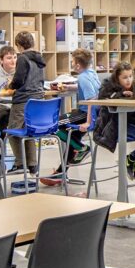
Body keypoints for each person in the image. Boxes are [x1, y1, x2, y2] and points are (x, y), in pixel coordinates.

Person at [41, 50, 98, 186]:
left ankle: (82, 148)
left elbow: (92, 99)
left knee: (51, 124)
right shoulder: (91, 73)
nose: (71, 63)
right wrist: (68, 86)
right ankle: (61, 173)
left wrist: (88, 121)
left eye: (72, 61)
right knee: (71, 138)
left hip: (85, 113)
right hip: (89, 113)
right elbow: (83, 88)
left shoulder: (83, 77)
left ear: (77, 65)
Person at [6, 31, 48, 174]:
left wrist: (10, 86)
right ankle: (32, 164)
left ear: (19, 45)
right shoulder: (39, 58)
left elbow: (18, 80)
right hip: (38, 101)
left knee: (13, 132)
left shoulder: (23, 58)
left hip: (23, 101)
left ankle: (19, 163)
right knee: (29, 132)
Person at [0, 44, 17, 136]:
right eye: (9, 58)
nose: (13, 61)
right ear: (1, 60)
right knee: (4, 114)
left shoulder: (20, 74)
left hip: (16, 105)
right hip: (0, 105)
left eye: (15, 57)